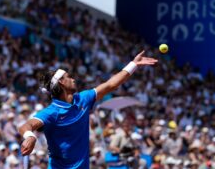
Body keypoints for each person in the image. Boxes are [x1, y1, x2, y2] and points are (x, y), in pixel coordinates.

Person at [19, 51, 158, 168]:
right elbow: (26, 126)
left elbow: (111, 85)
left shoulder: (83, 98)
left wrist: (133, 64)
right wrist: (30, 136)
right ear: (61, 82)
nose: (73, 79)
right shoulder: (52, 112)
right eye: (68, 77)